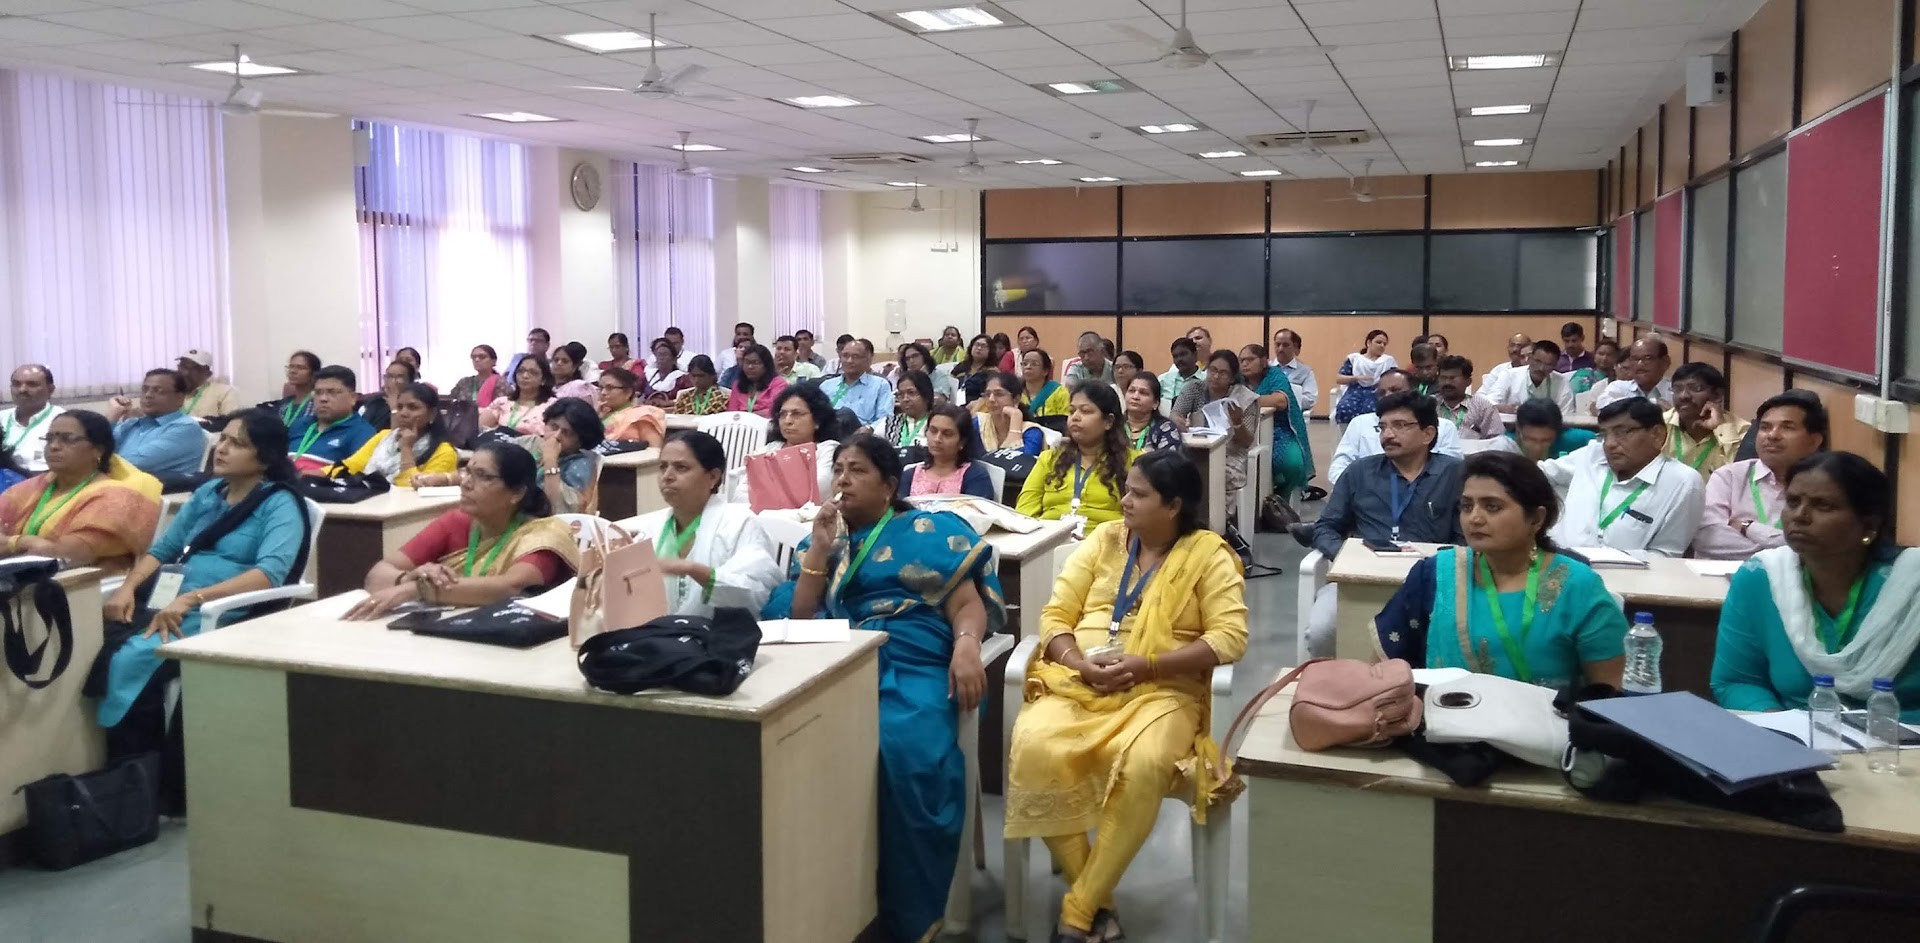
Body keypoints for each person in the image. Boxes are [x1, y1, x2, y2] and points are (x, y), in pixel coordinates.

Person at [758, 435, 1000, 943]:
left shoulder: (927, 529)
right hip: (833, 656)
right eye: (838, 470)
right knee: (794, 740)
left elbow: (964, 604)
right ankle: (824, 898)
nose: (842, 480)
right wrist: (820, 551)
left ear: (890, 485)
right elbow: (799, 616)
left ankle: (904, 915)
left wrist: (967, 646)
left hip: (909, 656)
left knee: (899, 749)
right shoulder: (822, 538)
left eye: (858, 471)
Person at [1005, 449, 1247, 943]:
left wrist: (1149, 664)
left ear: (1174, 505)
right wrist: (1076, 662)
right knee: (1034, 745)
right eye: (1127, 489)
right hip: (1079, 679)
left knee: (1145, 762)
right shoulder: (1105, 539)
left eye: (1139, 494)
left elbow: (1228, 638)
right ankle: (1099, 902)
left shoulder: (1208, 554)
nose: (1124, 500)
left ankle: (1079, 910)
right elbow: (1055, 617)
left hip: (1162, 690)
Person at [96, 410, 313, 812]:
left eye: (237, 443)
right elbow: (162, 551)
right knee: (102, 641)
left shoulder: (280, 503)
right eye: (223, 439)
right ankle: (124, 772)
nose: (222, 448)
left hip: (226, 613)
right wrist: (127, 588)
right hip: (170, 600)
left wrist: (191, 599)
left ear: (265, 457)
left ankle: (144, 780)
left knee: (132, 656)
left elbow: (269, 575)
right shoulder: (208, 494)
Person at [1373, 451, 1626, 690]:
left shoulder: (1578, 586)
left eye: (1492, 507)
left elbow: (1606, 693)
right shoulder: (1436, 574)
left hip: (1547, 730)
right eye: (1466, 506)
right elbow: (1384, 671)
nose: (1474, 518)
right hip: (1446, 725)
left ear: (1536, 519)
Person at [1712, 452, 1920, 721]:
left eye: (1823, 505)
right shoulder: (1761, 577)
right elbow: (1737, 682)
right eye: (1793, 501)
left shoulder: (1911, 583)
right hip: (1793, 745)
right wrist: (1783, 729)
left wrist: (1883, 739)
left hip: (1901, 748)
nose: (1800, 516)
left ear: (1868, 523)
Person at [347, 440, 581, 620]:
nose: (466, 482)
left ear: (516, 493)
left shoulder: (544, 533)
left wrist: (416, 590)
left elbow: (510, 588)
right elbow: (376, 576)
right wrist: (409, 576)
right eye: (467, 471)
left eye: (483, 476)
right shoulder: (455, 522)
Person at [1308, 392, 1466, 656]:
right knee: (1322, 630)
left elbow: (1466, 538)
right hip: (1360, 579)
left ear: (1428, 434)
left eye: (1400, 426)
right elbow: (1325, 527)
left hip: (1434, 580)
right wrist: (1348, 556)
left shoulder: (1455, 474)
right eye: (1382, 427)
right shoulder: (1359, 472)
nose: (1387, 435)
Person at [628, 431, 783, 616]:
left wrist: (695, 570)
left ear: (713, 477)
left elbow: (756, 593)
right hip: (659, 636)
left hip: (720, 638)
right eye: (662, 467)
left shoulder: (740, 523)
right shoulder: (649, 527)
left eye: (681, 467)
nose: (667, 476)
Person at [1539, 397, 1705, 556]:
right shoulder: (1593, 455)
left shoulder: (1683, 482)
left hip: (1626, 578)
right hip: (1560, 564)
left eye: (1622, 432)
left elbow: (1665, 555)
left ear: (1657, 435)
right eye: (1604, 434)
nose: (1610, 443)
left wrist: (1605, 559)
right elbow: (1538, 474)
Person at [0, 410, 162, 568]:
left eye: (68, 439)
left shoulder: (115, 498)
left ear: (98, 450)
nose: (54, 446)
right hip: (21, 578)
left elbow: (65, 556)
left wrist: (14, 542)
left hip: (84, 586)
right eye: (49, 439)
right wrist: (27, 543)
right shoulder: (35, 487)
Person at [1694, 391, 1827, 560]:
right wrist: (1783, 553)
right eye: (1765, 427)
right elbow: (1707, 538)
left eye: (1787, 427)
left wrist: (1749, 528)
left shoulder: (1825, 488)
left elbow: (1816, 546)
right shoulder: (1729, 477)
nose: (1772, 435)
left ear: (1814, 441)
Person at [1018, 383, 1130, 529]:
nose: (1075, 417)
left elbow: (1140, 521)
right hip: (1049, 541)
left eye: (1086, 411)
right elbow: (1024, 512)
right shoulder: (1049, 459)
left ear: (1108, 421)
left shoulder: (1134, 463)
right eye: (1072, 411)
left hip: (1104, 544)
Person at [1328, 370, 1464, 483]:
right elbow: (1339, 466)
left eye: (1395, 390)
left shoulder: (1443, 427)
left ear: (1413, 391)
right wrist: (1362, 488)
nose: (1387, 396)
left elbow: (1450, 471)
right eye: (1382, 393)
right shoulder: (1360, 423)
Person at [324, 383, 458, 487]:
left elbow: (412, 488)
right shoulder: (384, 436)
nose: (403, 413)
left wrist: (406, 449)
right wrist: (308, 476)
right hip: (371, 501)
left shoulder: (444, 452)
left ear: (432, 414)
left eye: (413, 407)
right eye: (399, 407)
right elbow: (350, 466)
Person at [1173, 351, 1258, 508]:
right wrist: (1179, 422)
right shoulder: (1194, 388)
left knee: (1215, 475)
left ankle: (1216, 521)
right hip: (1195, 449)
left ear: (1232, 378)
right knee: (1175, 470)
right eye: (1213, 370)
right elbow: (1176, 413)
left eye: (1223, 373)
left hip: (1230, 455)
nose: (1216, 376)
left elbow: (1246, 442)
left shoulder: (1245, 398)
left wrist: (1237, 423)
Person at [736, 384, 840, 506]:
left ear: (817, 420)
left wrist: (764, 493)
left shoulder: (828, 450)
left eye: (797, 414)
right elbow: (739, 494)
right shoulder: (768, 450)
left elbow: (818, 490)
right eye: (783, 414)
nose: (787, 421)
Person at [1241, 343, 1313, 503]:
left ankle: (1280, 499)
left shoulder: (1274, 374)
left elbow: (1280, 401)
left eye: (1250, 359)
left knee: (1291, 464)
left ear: (1263, 361)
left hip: (1280, 430)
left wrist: (1245, 401)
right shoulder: (1239, 380)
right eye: (1242, 360)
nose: (1244, 364)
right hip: (1245, 431)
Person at [110, 370, 208, 478]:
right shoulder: (132, 423)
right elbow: (94, 449)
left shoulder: (185, 429)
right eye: (145, 389)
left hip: (161, 492)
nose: (148, 395)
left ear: (179, 398)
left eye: (158, 391)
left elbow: (130, 464)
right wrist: (112, 418)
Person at [1664, 361, 1748, 481]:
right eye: (1677, 389)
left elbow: (1743, 477)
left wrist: (1720, 427)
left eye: (1695, 388)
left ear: (1718, 395)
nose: (1683, 396)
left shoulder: (1742, 431)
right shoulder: (1659, 424)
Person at [287, 366, 376, 474]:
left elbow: (355, 477)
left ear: (353, 398)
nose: (323, 399)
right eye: (318, 392)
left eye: (332, 392)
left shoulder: (362, 433)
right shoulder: (299, 425)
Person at [899, 404, 996, 499]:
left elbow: (974, 513)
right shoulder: (910, 475)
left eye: (947, 434)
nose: (937, 439)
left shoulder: (975, 477)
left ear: (962, 442)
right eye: (933, 431)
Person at [819, 338, 894, 428]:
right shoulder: (826, 386)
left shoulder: (880, 385)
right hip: (831, 435)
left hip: (863, 436)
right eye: (845, 356)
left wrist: (869, 429)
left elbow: (885, 418)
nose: (849, 361)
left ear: (867, 359)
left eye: (855, 356)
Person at [3, 364, 64, 473]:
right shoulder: (2, 417)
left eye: (32, 384)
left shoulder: (64, 422)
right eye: (16, 384)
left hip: (46, 485)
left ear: (50, 390)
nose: (22, 389)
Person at [1490, 340, 1576, 414]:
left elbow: (1566, 415)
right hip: (1513, 428)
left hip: (1550, 429)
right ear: (1530, 359)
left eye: (1548, 365)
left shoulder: (1562, 382)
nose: (1541, 368)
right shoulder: (1510, 375)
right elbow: (1488, 403)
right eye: (1538, 361)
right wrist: (1503, 408)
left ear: (1555, 366)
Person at [480, 354, 556, 437]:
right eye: (521, 371)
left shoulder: (552, 405)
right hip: (499, 446)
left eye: (533, 372)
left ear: (543, 380)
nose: (525, 376)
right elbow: (481, 429)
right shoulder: (502, 402)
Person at [1334, 329, 1397, 424]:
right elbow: (1339, 379)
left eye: (1384, 344)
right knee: (1344, 407)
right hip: (1355, 392)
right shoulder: (1355, 359)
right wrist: (1357, 378)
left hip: (1378, 392)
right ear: (1368, 343)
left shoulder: (1388, 361)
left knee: (1372, 410)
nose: (1382, 346)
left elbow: (1394, 380)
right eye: (1378, 342)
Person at [1433, 355, 1504, 440]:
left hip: (1473, 452)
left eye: (1453, 378)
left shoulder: (1482, 407)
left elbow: (1497, 440)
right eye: (1443, 378)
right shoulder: (1429, 405)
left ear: (1468, 381)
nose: (1447, 382)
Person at [975, 372, 1046, 455]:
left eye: (999, 394)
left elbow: (1019, 463)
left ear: (1016, 399)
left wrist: (1015, 423)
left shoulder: (1032, 432)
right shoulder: (979, 423)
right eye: (987, 394)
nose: (991, 399)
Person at [1595, 336, 1674, 410]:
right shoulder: (1619, 387)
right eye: (1635, 359)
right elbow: (1601, 406)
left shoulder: (1675, 391)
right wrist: (1651, 405)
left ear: (1665, 362)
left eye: (1647, 358)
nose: (1640, 364)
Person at [595, 367, 667, 447]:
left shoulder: (640, 416)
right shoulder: (600, 415)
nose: (603, 392)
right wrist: (597, 419)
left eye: (610, 388)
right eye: (601, 388)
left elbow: (655, 449)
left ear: (628, 392)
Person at [1510, 398, 1597, 460]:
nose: (1538, 448)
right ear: (1518, 429)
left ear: (1558, 432)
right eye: (1530, 439)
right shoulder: (1506, 445)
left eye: (1546, 440)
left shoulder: (1578, 439)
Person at [1120, 374, 1183, 454]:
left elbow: (1168, 462)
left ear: (1155, 403)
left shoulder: (1166, 428)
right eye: (1131, 391)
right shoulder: (1115, 425)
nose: (1135, 397)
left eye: (1143, 393)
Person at [174, 349, 240, 419]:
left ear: (208, 374)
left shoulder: (225, 392)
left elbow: (230, 422)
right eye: (182, 367)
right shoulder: (170, 392)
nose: (185, 373)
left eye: (193, 369)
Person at [726, 343, 786, 418]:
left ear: (766, 365)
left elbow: (776, 410)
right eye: (747, 362)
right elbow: (732, 413)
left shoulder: (778, 383)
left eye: (755, 363)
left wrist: (750, 416)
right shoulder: (738, 385)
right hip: (741, 427)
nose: (750, 366)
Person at [355, 360, 417, 431]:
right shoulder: (373, 400)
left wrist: (394, 407)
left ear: (410, 381)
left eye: (399, 377)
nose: (393, 381)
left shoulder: (413, 403)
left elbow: (396, 433)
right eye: (389, 376)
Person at [883, 370, 936, 452]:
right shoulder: (889, 423)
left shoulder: (937, 422)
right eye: (901, 394)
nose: (905, 399)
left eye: (911, 393)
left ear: (926, 395)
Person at [1270, 328, 1318, 414]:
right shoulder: (1266, 369)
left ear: (1295, 348)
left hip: (1293, 414)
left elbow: (1310, 399)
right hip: (1268, 414)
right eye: (1277, 344)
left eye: (1285, 345)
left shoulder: (1305, 372)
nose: (1280, 349)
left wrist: (1286, 401)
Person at [1020, 349, 1070, 419]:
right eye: (1024, 364)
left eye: (1034, 364)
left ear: (1045, 371)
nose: (1028, 367)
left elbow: (1065, 420)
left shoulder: (1059, 392)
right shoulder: (1015, 392)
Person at [273, 351, 320, 427]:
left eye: (300, 368)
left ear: (314, 372)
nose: (293, 371)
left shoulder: (318, 403)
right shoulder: (284, 404)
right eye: (291, 366)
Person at [1478, 334, 1531, 401]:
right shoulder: (1499, 369)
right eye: (1512, 345)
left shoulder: (1533, 371)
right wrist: (1495, 405)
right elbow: (1480, 395)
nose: (1515, 349)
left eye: (1519, 346)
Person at [1158, 337, 1203, 414]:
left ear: (1195, 355)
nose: (1179, 359)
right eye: (1175, 356)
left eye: (1183, 354)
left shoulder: (1206, 380)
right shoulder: (1163, 379)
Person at [951, 333, 998, 404]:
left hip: (976, 406)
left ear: (990, 351)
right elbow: (950, 383)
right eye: (977, 344)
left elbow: (988, 395)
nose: (979, 348)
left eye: (983, 346)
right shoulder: (961, 366)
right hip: (954, 402)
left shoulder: (993, 372)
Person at [643, 337, 689, 404]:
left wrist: (669, 403)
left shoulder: (682, 379)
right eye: (659, 355)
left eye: (664, 354)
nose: (661, 358)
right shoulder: (648, 376)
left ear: (674, 359)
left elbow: (687, 400)